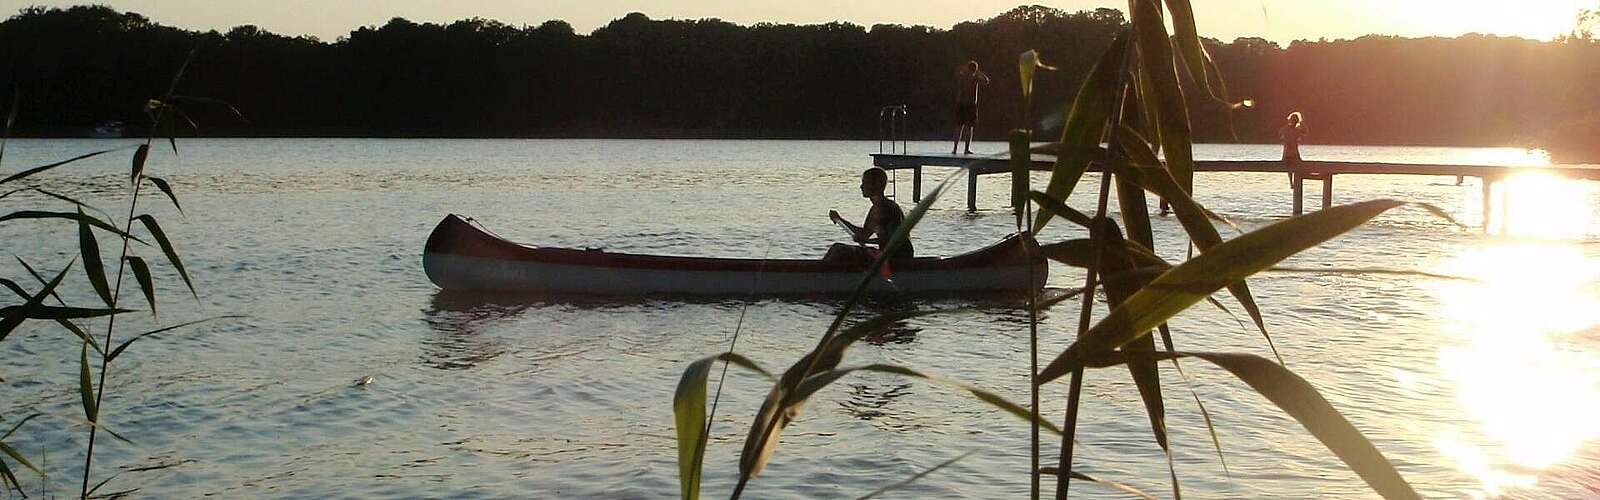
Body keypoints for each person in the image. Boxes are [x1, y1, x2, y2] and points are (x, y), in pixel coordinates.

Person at [827, 168, 914, 265]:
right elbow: (864, 233)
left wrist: (867, 241)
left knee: (840, 250)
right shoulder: (875, 209)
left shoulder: (888, 208)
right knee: (837, 249)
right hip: (885, 255)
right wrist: (840, 220)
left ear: (876, 185)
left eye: (865, 183)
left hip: (898, 257)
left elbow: (893, 239)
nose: (861, 186)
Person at [951, 60, 990, 155]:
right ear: (975, 69)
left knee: (958, 127)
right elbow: (986, 80)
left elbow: (956, 72)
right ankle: (966, 149)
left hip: (960, 104)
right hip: (970, 105)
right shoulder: (975, 78)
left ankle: (955, 149)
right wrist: (979, 72)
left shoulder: (961, 77)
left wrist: (964, 68)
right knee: (969, 128)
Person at [1281, 111, 1309, 186]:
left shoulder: (1296, 130)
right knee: (1290, 166)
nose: (1294, 122)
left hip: (1294, 151)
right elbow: (1305, 132)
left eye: (1295, 121)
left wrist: (1302, 123)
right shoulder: (1288, 129)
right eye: (1293, 120)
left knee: (1296, 165)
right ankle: (1291, 182)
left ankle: (1294, 182)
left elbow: (1305, 132)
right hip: (1289, 152)